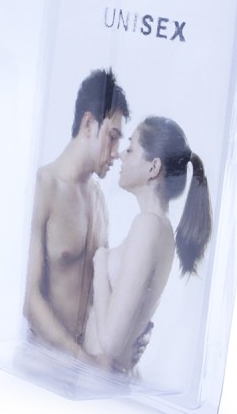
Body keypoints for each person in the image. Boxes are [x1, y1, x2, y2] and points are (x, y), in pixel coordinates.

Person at [83, 116, 212, 373]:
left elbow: (109, 343)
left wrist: (100, 262)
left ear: (153, 167)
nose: (121, 155)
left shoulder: (148, 226)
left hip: (99, 380)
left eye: (130, 149)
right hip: (102, 378)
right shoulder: (159, 229)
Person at [23, 68, 130, 365]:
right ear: (88, 123)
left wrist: (128, 336)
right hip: (40, 365)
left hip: (83, 367)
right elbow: (29, 298)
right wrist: (82, 359)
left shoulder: (98, 200)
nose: (116, 153)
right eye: (112, 137)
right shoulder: (43, 187)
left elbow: (102, 291)